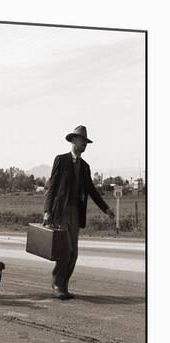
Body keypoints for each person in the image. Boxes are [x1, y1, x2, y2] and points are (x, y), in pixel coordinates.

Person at [43, 125, 115, 299]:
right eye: (82, 141)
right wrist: (47, 211)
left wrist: (106, 208)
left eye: (86, 142)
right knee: (65, 250)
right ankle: (57, 283)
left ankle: (64, 285)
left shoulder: (85, 167)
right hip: (61, 212)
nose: (84, 145)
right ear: (74, 141)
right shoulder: (61, 160)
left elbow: (91, 190)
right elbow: (52, 188)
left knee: (74, 252)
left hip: (76, 213)